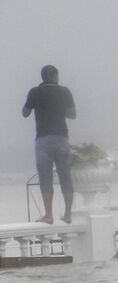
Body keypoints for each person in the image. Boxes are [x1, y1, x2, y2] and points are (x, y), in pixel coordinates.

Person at [22, 65, 76, 224]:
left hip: (43, 139)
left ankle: (48, 215)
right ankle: (67, 213)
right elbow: (73, 114)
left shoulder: (35, 92)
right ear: (55, 76)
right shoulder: (65, 91)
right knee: (65, 176)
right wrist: (59, 110)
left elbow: (25, 113)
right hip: (62, 138)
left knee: (45, 177)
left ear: (42, 77)